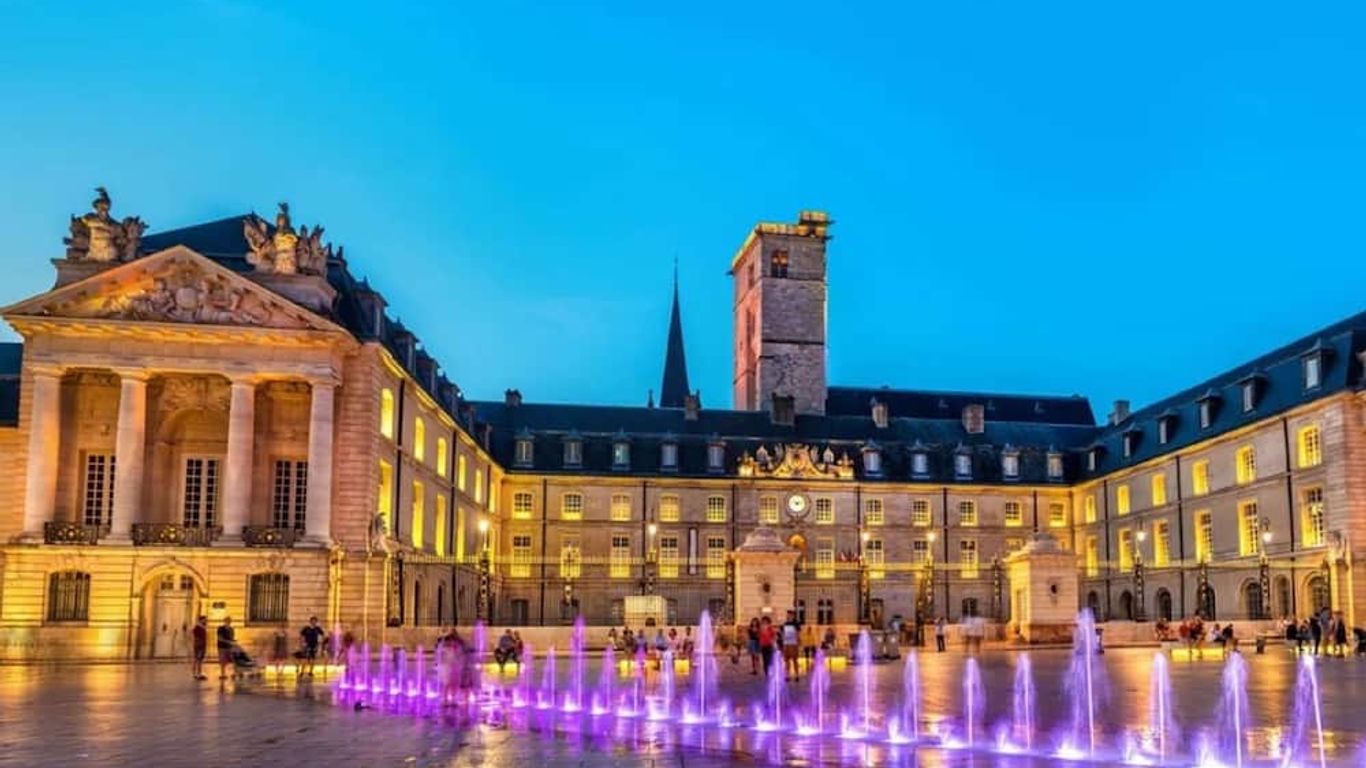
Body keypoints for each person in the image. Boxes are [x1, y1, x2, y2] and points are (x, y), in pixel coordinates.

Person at [781, 610, 801, 681]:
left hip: (793, 643)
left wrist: (798, 641)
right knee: (787, 660)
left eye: (789, 615)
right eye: (787, 615)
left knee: (795, 660)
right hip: (786, 643)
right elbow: (783, 633)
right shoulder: (785, 624)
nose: (788, 616)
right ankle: (787, 675)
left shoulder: (796, 624)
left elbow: (798, 633)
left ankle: (797, 675)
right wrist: (783, 640)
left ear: (793, 615)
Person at [216, 616, 237, 680]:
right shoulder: (220, 628)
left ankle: (234, 673)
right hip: (222, 647)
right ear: (224, 621)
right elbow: (220, 638)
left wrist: (233, 642)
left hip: (229, 647)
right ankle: (223, 674)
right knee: (223, 660)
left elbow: (232, 637)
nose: (228, 622)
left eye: (229, 621)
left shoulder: (231, 629)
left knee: (234, 659)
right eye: (227, 621)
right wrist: (228, 642)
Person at [191, 616, 208, 681]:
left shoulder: (203, 627)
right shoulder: (197, 627)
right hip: (199, 645)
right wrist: (197, 642)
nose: (205, 621)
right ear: (201, 620)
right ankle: (195, 673)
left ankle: (199, 673)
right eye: (204, 620)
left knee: (200, 659)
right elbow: (195, 635)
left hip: (202, 644)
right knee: (197, 659)